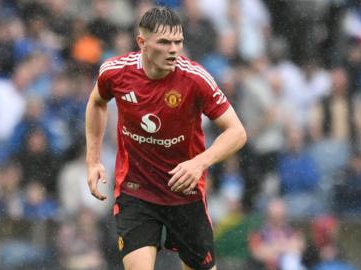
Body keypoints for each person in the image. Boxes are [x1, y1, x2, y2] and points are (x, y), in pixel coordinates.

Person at [85, 6, 247, 270]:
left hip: (184, 193)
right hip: (136, 191)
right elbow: (96, 102)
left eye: (178, 42)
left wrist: (199, 163)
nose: (173, 49)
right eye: (164, 42)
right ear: (142, 43)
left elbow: (237, 132)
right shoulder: (115, 72)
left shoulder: (196, 79)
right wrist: (92, 161)